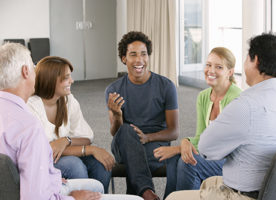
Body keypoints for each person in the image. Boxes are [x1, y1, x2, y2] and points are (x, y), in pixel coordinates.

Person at [166, 33, 276, 200]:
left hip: (243, 195)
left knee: (174, 197)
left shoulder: (244, 105)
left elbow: (206, 147)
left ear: (255, 60)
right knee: (208, 182)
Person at [0, 42, 102, 200]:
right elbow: (35, 197)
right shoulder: (28, 126)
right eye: (33, 67)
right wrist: (74, 199)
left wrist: (49, 178)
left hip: (15, 188)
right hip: (27, 192)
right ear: (26, 71)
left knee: (96, 185)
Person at [154, 47, 242, 198]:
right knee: (175, 159)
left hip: (233, 161)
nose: (211, 70)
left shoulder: (236, 98)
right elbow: (202, 136)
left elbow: (224, 145)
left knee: (188, 162)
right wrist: (186, 141)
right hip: (212, 154)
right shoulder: (203, 96)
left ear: (230, 72)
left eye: (218, 67)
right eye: (208, 65)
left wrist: (179, 148)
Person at [105, 31, 179, 200]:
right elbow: (115, 133)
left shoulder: (166, 86)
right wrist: (117, 115)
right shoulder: (113, 90)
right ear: (124, 58)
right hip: (125, 142)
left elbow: (173, 131)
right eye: (133, 55)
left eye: (143, 54)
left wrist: (147, 137)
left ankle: (143, 193)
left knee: (135, 161)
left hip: (155, 144)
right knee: (125, 130)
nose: (139, 60)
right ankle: (146, 191)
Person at [27, 56, 114, 193]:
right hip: (40, 161)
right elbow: (47, 150)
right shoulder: (31, 106)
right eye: (66, 78)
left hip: (64, 154)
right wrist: (90, 149)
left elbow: (86, 137)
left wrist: (66, 140)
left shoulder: (68, 100)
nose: (72, 81)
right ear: (51, 79)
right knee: (74, 165)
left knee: (101, 163)